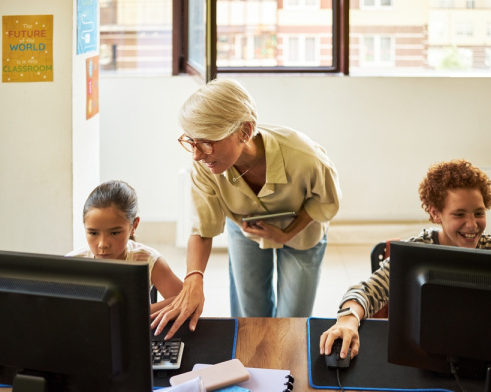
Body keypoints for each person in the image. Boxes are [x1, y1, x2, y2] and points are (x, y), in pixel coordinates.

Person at [152, 77, 341, 339]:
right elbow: (202, 229)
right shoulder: (204, 165)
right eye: (191, 142)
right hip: (244, 229)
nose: (196, 154)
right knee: (250, 316)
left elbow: (326, 202)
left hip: (302, 231)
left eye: (206, 142)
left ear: (244, 131)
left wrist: (287, 234)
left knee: (293, 319)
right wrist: (194, 278)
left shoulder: (306, 157)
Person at [319, 159, 491, 361]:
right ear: (436, 213)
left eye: (478, 213)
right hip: (425, 357)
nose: (472, 225)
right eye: (459, 214)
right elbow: (365, 291)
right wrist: (347, 320)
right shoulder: (417, 251)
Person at [66, 180, 183, 313]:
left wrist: (139, 314)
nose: (103, 244)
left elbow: (185, 299)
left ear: (134, 226)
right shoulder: (72, 262)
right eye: (93, 233)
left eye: (114, 233)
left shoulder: (147, 259)